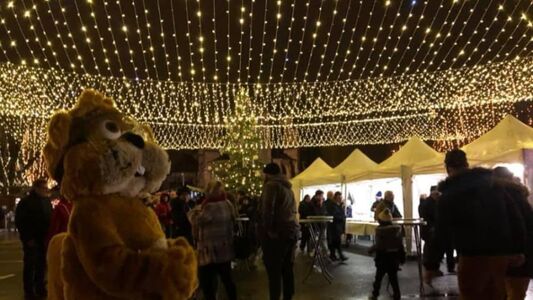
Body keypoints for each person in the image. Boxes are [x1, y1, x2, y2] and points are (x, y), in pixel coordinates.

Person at [424, 149, 526, 300]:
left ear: (448, 168)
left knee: (472, 295)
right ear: (467, 164)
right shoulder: (494, 186)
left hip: (471, 257)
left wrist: (431, 265)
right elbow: (515, 217)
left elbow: (441, 232)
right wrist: (518, 249)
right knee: (497, 295)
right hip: (499, 256)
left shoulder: (449, 195)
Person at [188, 181, 237, 300]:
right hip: (225, 248)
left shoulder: (209, 207)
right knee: (227, 279)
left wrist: (193, 212)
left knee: (207, 282)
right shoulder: (228, 204)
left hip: (209, 250)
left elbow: (197, 220)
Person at [258, 163, 299, 300]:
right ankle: (288, 296)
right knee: (287, 268)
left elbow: (268, 209)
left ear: (268, 174)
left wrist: (269, 230)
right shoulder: (288, 188)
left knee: (274, 270)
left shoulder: (271, 185)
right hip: (290, 231)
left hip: (277, 233)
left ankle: (274, 297)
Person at [493, 167, 533, 300]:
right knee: (517, 294)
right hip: (523, 255)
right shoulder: (521, 198)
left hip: (499, 255)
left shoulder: (492, 198)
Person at [15, 179, 52, 299]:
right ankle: (29, 290)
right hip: (31, 239)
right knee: (30, 265)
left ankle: (40, 287)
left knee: (41, 265)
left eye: (46, 188)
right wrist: (27, 238)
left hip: (43, 238)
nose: (45, 190)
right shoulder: (26, 202)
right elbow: (20, 221)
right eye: (43, 188)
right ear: (35, 188)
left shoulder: (46, 201)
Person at [369, 208, 405, 300]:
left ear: (380, 221)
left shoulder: (380, 231)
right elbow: (400, 245)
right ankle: (397, 295)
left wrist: (371, 249)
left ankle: (375, 294)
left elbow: (379, 245)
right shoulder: (397, 230)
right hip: (394, 259)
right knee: (394, 279)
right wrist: (402, 257)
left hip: (382, 258)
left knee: (378, 279)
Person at [418, 186, 455, 273]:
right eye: (438, 193)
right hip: (431, 230)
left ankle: (446, 267)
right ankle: (433, 269)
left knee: (441, 249)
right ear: (433, 193)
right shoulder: (426, 204)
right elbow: (425, 218)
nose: (439, 195)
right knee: (433, 251)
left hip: (439, 230)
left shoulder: (435, 202)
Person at [326, 192, 348, 261]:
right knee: (335, 241)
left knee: (336, 241)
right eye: (339, 197)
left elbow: (341, 214)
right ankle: (337, 255)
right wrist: (342, 217)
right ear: (335, 198)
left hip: (338, 227)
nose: (340, 199)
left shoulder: (338, 205)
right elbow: (334, 216)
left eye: (341, 197)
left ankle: (335, 255)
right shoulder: (332, 205)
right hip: (334, 227)